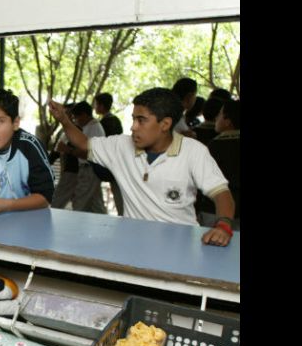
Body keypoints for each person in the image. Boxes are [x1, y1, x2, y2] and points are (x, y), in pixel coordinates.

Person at [48, 87, 235, 246]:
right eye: (133, 119)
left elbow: (221, 194)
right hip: (133, 244)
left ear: (165, 124)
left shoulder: (194, 151)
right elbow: (84, 143)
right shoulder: (121, 146)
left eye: (141, 120)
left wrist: (223, 226)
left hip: (179, 246)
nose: (133, 127)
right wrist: (65, 120)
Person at [54, 101, 107, 213]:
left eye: (76, 117)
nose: (76, 120)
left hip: (90, 168)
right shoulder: (89, 126)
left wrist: (68, 150)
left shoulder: (94, 128)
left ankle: (78, 225)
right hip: (86, 168)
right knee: (95, 203)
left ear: (84, 115)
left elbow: (89, 153)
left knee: (80, 201)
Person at [197, 100, 240, 229]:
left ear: (228, 121)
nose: (216, 118)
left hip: (214, 209)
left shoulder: (216, 145)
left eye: (220, 114)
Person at [93, 92, 125, 215]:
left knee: (118, 193)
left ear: (101, 105)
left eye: (96, 104)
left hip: (112, 162)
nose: (95, 107)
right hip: (116, 162)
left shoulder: (105, 123)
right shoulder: (114, 120)